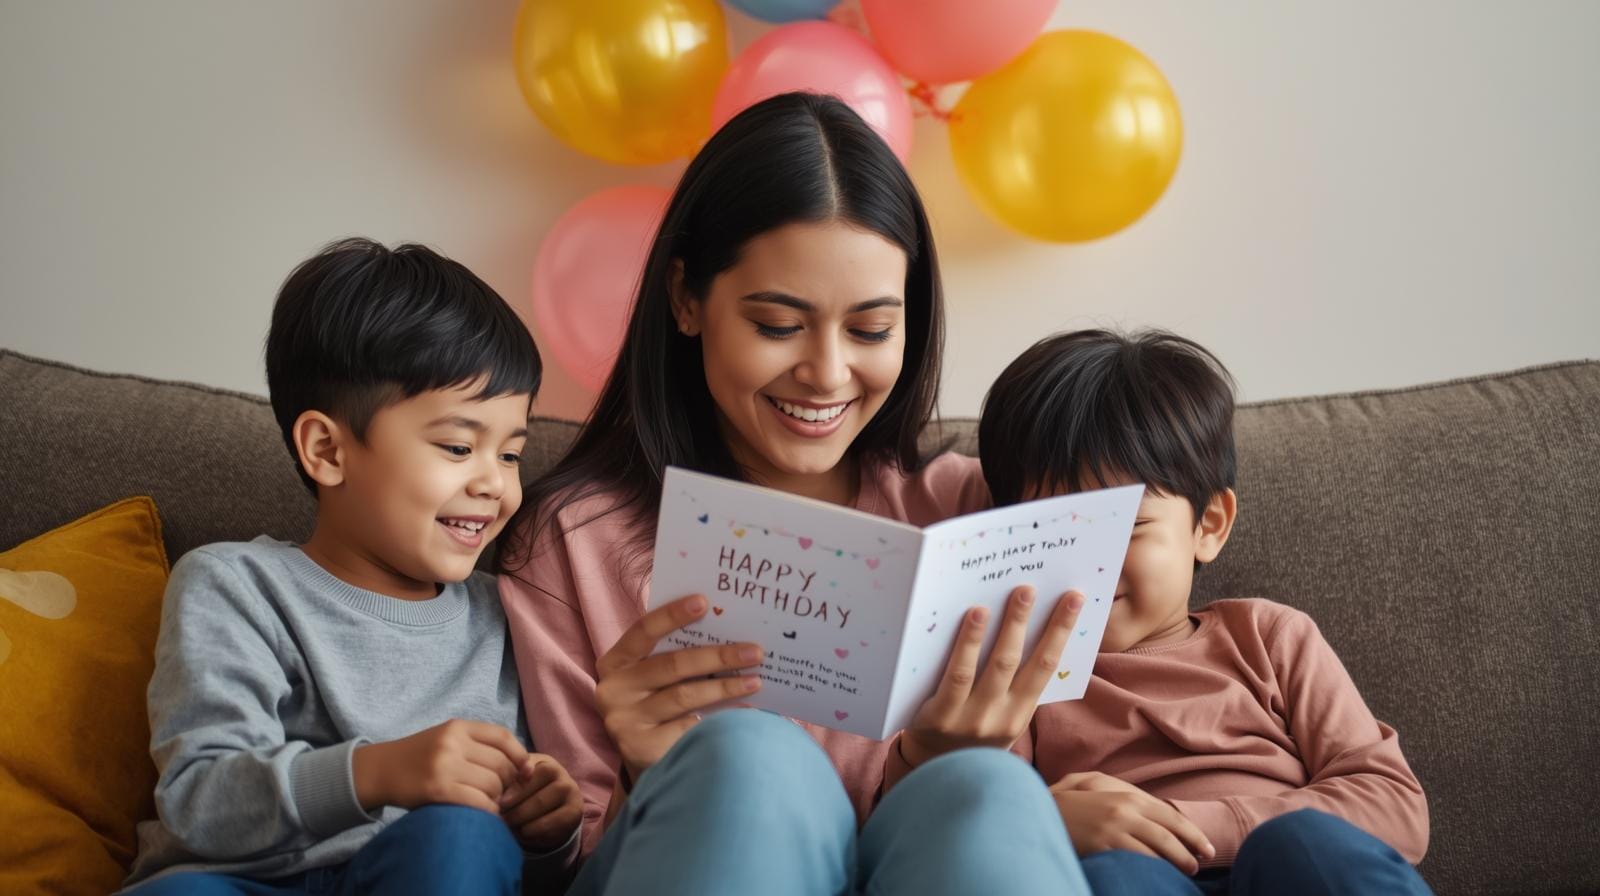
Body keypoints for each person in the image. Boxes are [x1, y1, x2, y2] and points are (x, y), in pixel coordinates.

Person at [498, 92, 1089, 894]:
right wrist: (644, 774)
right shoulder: (576, 539)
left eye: (872, 329)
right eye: (779, 325)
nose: (828, 373)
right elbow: (545, 860)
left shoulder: (970, 509)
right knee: (750, 756)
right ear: (685, 299)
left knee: (988, 788)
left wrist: (934, 759)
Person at [123, 239, 582, 895]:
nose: (494, 484)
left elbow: (505, 870)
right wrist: (377, 772)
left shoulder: (509, 615)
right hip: (245, 881)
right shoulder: (234, 586)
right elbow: (201, 804)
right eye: (458, 445)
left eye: (510, 454)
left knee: (464, 836)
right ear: (326, 450)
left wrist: (547, 835)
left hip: (420, 873)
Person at [979, 328, 1432, 895]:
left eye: (1124, 529)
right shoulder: (1020, 678)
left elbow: (1393, 804)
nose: (1088, 565)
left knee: (1305, 844)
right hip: (1134, 878)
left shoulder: (1270, 636)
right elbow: (985, 823)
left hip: (1284, 871)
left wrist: (1197, 827)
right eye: (1051, 534)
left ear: (1209, 525)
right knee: (1117, 877)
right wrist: (1051, 820)